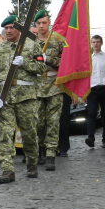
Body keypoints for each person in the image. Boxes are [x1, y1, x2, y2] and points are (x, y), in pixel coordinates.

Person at [0, 15, 46, 184]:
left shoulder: (32, 45)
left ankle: (32, 164)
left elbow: (41, 67)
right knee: (5, 134)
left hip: (26, 97)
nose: (9, 30)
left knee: (28, 133)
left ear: (19, 28)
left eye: (12, 27)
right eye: (6, 28)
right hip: (5, 98)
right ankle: (7, 170)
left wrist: (25, 63)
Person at [33, 10, 64, 170]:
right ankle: (41, 150)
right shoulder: (30, 42)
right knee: (38, 122)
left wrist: (49, 59)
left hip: (54, 86)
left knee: (53, 122)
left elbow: (67, 62)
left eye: (44, 23)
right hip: (36, 87)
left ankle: (51, 154)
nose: (42, 26)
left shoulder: (58, 40)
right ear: (35, 25)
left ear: (49, 22)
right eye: (39, 23)